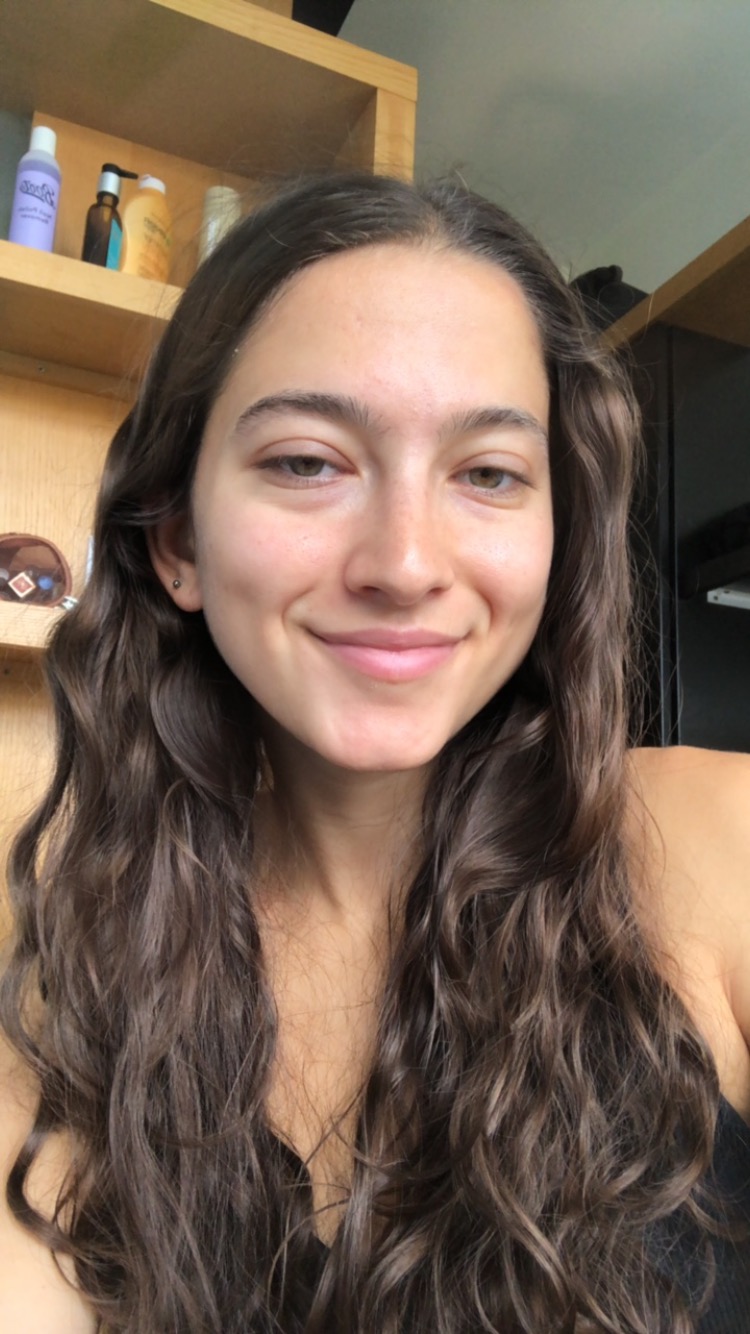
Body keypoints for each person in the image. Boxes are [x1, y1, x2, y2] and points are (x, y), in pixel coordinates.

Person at [0, 171, 748, 1334]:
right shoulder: (69, 986)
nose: (404, 563)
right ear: (177, 539)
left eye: (488, 473)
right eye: (308, 461)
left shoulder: (722, 843)